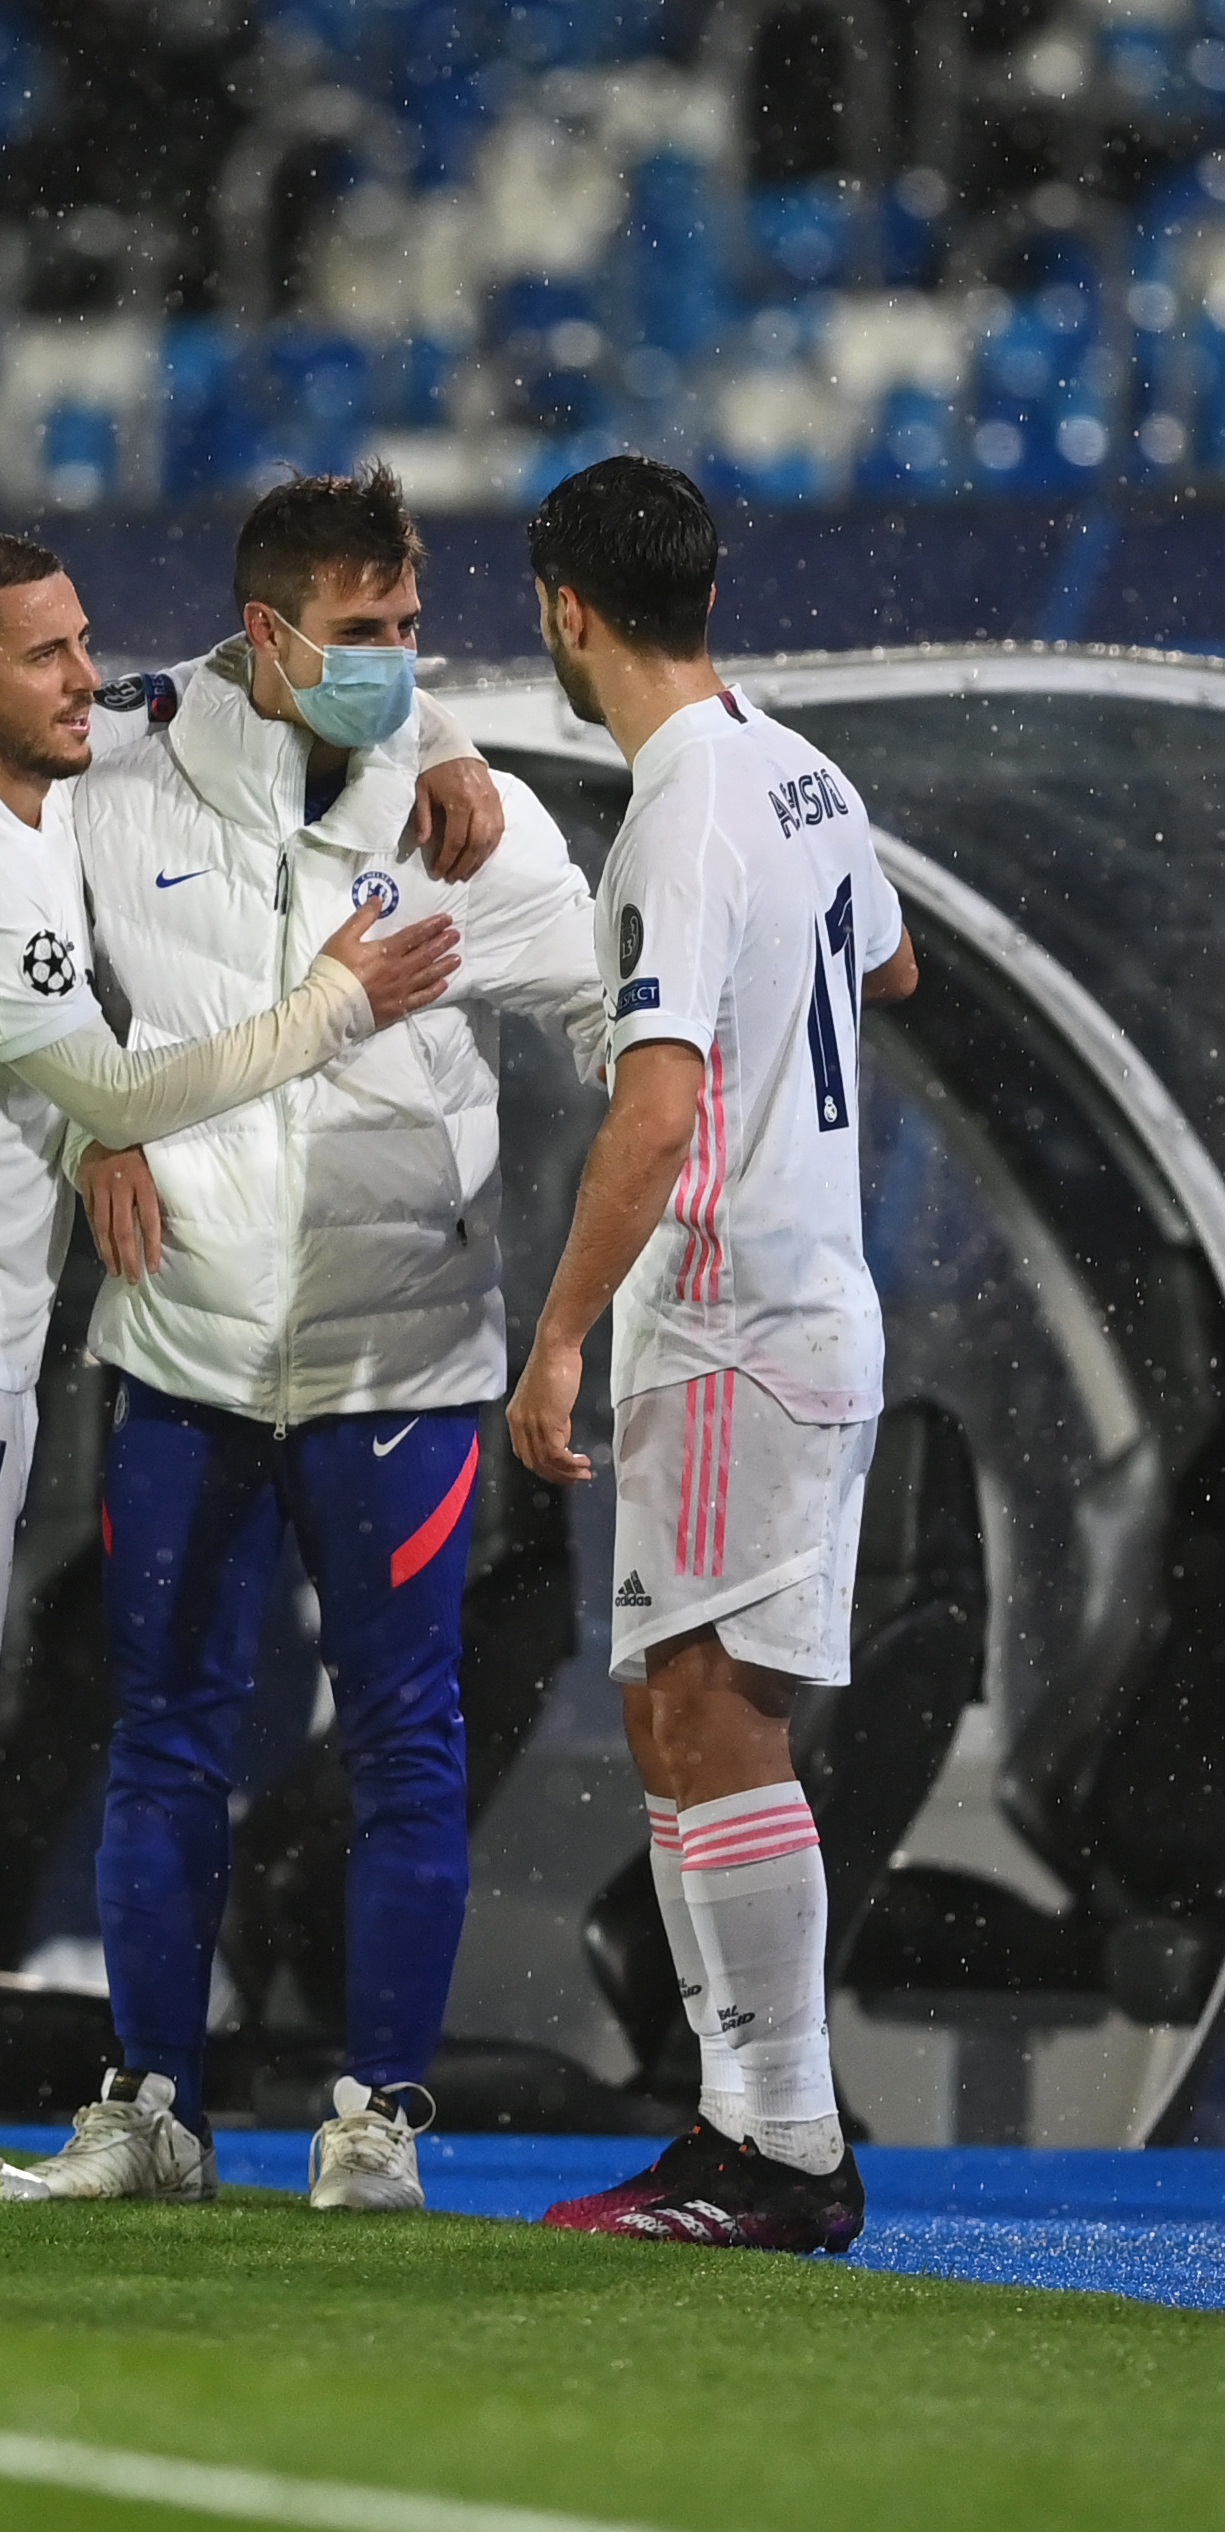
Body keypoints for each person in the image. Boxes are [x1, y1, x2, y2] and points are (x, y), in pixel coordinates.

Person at [0, 529, 500, 2194]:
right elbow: (127, 1090)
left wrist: (444, 735)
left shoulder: (28, 788)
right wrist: (332, 1008)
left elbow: (227, 681)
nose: (91, 679)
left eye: (85, 643)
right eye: (47, 656)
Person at [23, 464, 607, 2213]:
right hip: (184, 1346)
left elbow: (606, 1006)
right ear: (265, 634)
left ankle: (380, 2118)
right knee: (166, 1740)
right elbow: (0, 977)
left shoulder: (471, 815)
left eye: (414, 631)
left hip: (403, 1358)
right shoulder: (117, 776)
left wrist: (684, 1188)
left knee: (408, 1740)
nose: (399, 661)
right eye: (364, 634)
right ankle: (153, 2110)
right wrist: (84, 1134)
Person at [505, 455, 918, 2254]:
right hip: (788, 1300)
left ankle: (787, 2149)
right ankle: (742, 2130)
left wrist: (560, 1332)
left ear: (566, 610)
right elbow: (886, 972)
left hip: (735, 1316)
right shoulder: (795, 763)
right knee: (680, 1716)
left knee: (717, 1725)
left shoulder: (678, 804)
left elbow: (660, 1105)